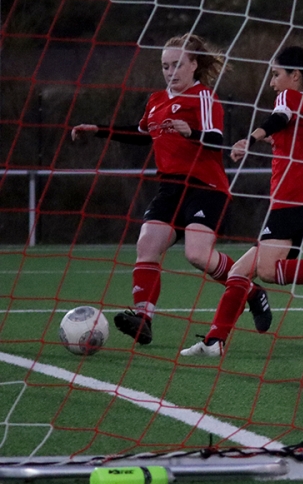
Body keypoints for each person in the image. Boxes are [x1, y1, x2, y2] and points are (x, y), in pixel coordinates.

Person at [72, 34, 270, 346]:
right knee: (147, 244)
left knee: (197, 255)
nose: (170, 71)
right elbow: (141, 134)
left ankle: (252, 291)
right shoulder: (156, 101)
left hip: (206, 187)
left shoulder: (203, 97)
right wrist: (99, 130)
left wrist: (191, 132)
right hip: (170, 187)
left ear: (194, 64)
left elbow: (217, 139)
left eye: (177, 64)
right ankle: (143, 318)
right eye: (165, 66)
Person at [181, 45, 303, 356]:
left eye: (276, 74)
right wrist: (276, 140)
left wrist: (251, 138)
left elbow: (280, 117)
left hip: (292, 202)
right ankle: (215, 341)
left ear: (295, 76)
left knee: (268, 271)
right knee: (240, 272)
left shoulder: (289, 98)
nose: (272, 82)